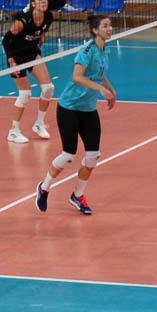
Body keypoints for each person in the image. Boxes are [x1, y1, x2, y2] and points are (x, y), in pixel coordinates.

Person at [35, 14, 116, 216]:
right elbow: (77, 77)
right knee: (68, 156)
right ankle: (44, 188)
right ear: (95, 30)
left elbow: (99, 74)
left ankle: (77, 196)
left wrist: (110, 90)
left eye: (110, 25)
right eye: (105, 26)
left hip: (88, 110)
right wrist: (100, 89)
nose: (109, 29)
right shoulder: (87, 50)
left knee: (92, 156)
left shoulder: (105, 50)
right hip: (69, 108)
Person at [2, 0, 55, 144]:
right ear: (33, 4)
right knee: (25, 94)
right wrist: (11, 59)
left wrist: (41, 37)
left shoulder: (48, 17)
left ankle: (39, 124)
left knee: (48, 88)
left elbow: (43, 30)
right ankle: (13, 132)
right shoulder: (23, 21)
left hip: (32, 54)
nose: (44, 1)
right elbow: (6, 40)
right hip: (16, 57)